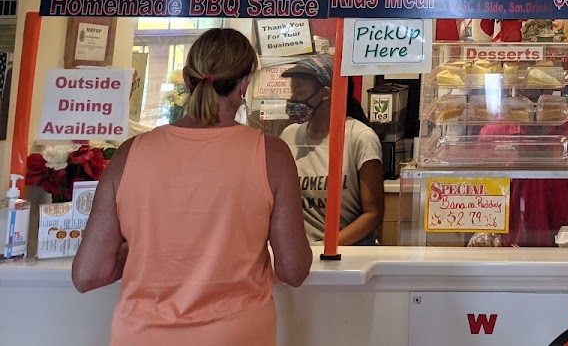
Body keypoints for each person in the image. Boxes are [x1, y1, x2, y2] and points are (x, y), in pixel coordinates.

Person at [72, 29, 311, 345]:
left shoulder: (130, 153)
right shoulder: (271, 154)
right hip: (235, 335)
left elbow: (88, 274)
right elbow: (294, 270)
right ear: (245, 84)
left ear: (187, 79)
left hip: (141, 336)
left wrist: (137, 251)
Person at [280, 53, 385, 245]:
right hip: (302, 254)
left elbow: (373, 214)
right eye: (292, 92)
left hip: (349, 254)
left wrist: (325, 248)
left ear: (326, 93)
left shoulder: (360, 138)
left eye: (299, 93)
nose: (293, 99)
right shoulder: (289, 136)